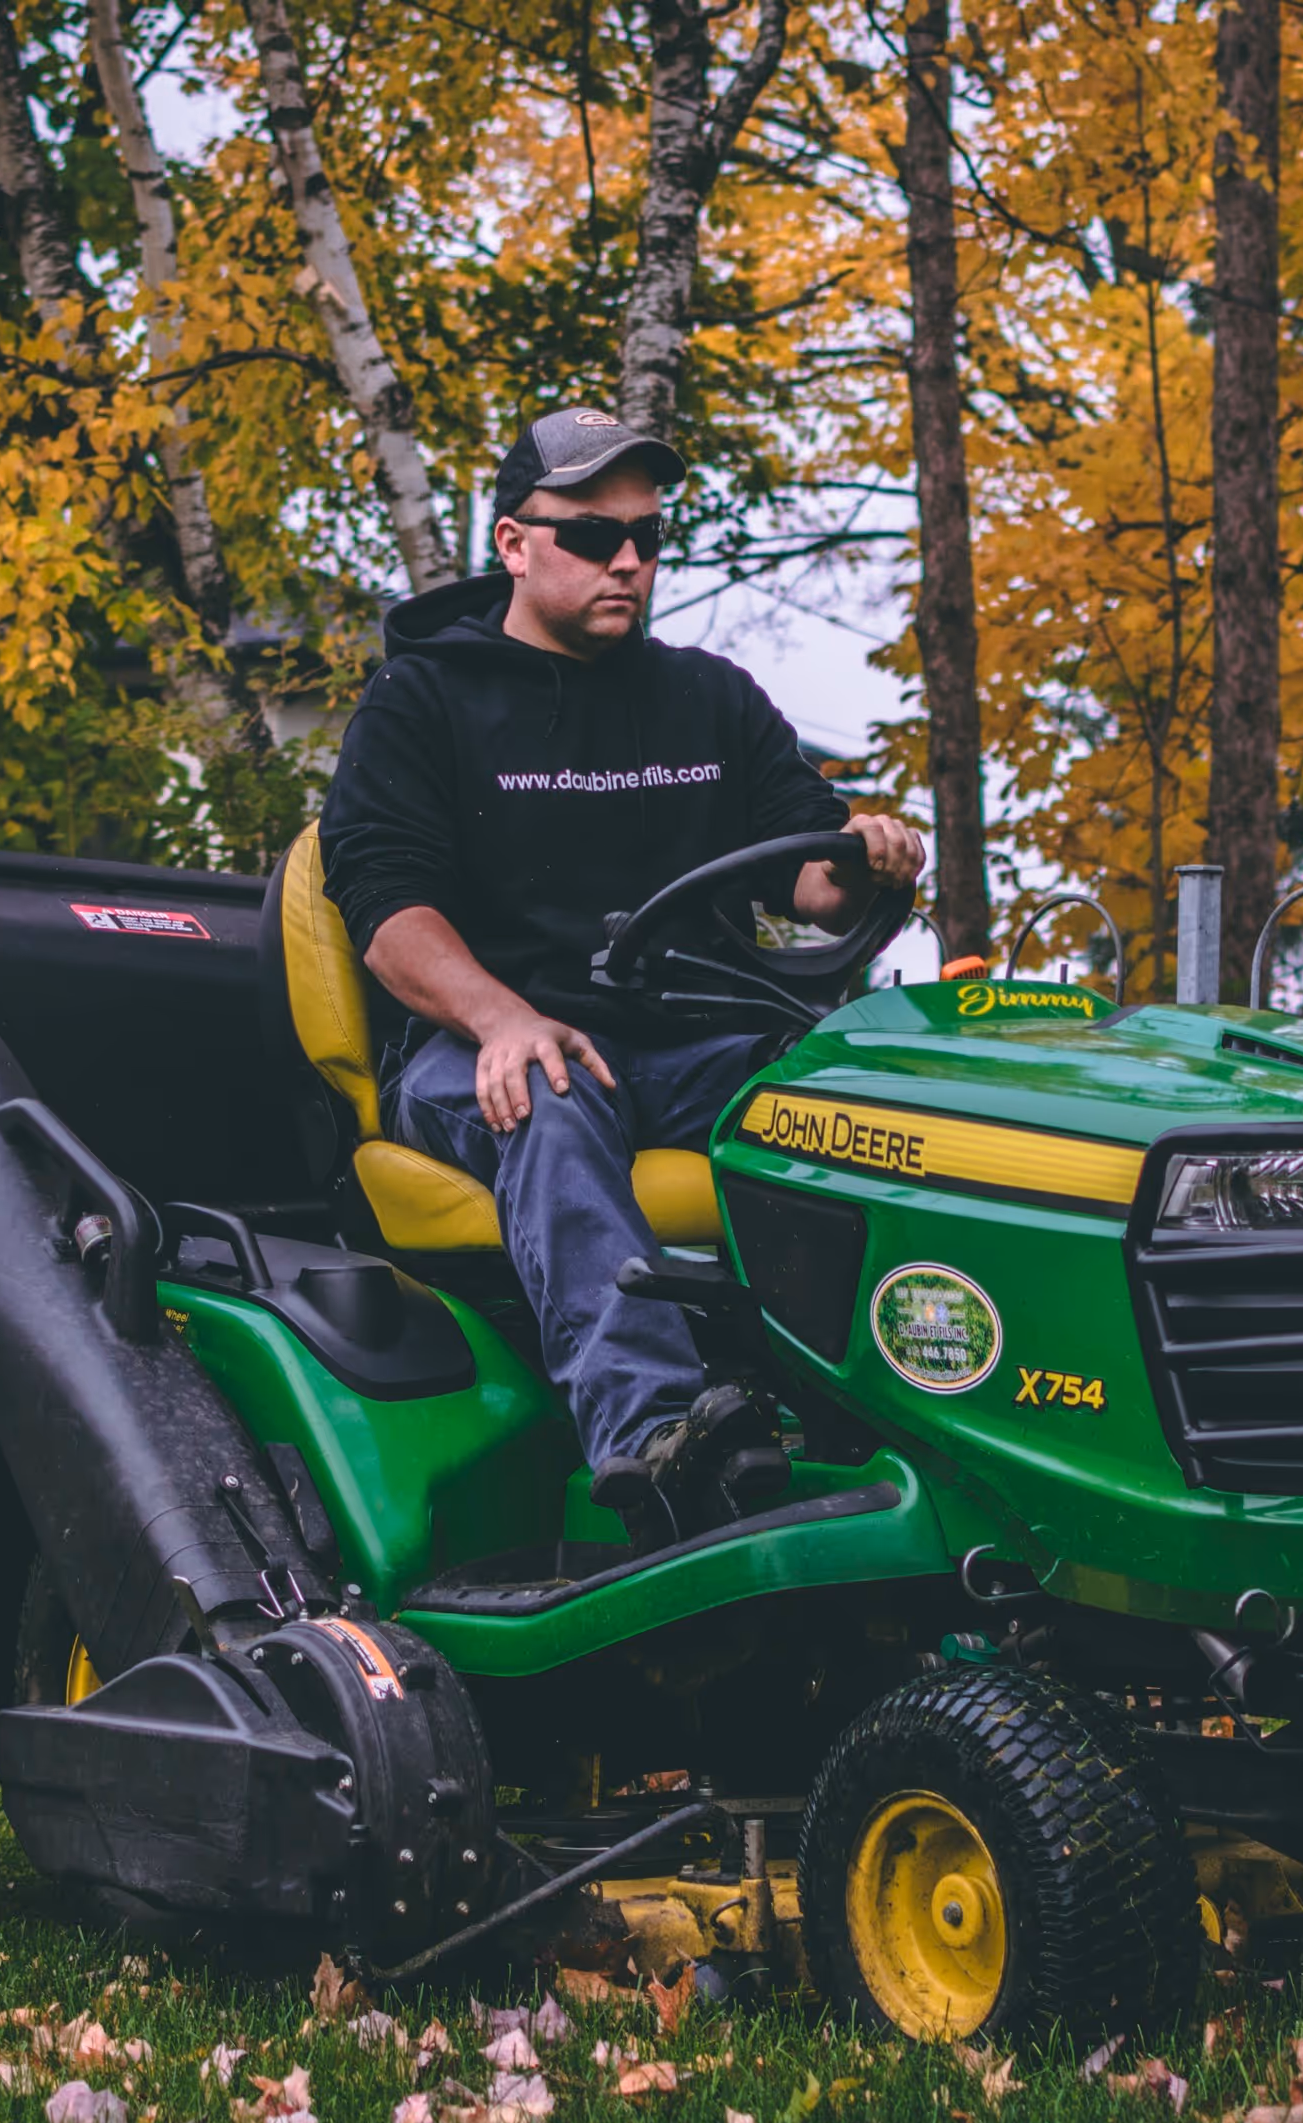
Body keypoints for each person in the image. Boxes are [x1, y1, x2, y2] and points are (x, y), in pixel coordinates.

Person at [320, 407, 925, 1541]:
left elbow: (811, 879)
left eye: (646, 537)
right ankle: (652, 1439)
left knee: (864, 1089)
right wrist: (503, 1018)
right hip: (476, 1054)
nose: (631, 563)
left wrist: (866, 853)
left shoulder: (708, 697)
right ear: (512, 543)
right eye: (595, 539)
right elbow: (386, 913)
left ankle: (906, 1409)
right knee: (551, 1086)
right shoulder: (422, 703)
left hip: (689, 1045)